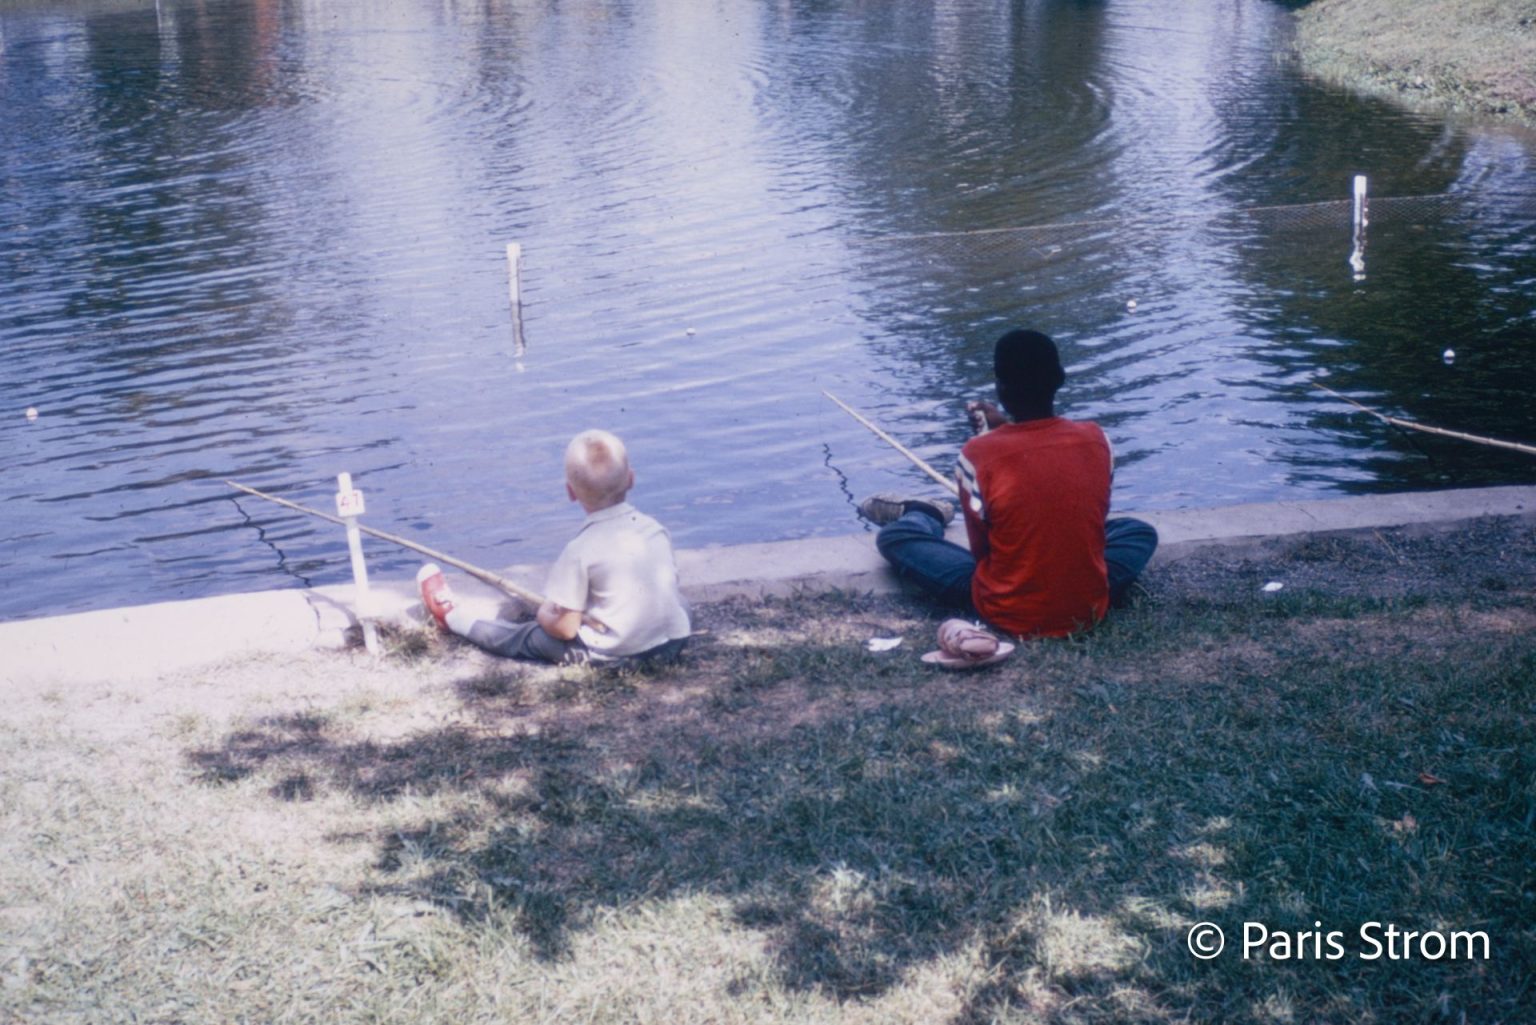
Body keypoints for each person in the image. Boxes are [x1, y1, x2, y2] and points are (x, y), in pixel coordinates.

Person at [862, 328, 1158, 639]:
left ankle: (925, 514)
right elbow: (1081, 507)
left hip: (1006, 610)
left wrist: (992, 439)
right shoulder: (1098, 440)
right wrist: (1004, 433)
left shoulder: (977, 455)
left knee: (896, 537)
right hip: (1087, 607)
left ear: (1001, 388)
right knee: (1137, 532)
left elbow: (983, 555)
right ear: (1059, 379)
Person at [417, 429, 691, 665]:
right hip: (672, 644)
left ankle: (452, 616)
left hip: (614, 656)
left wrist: (545, 615)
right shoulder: (656, 530)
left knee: (526, 637)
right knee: (674, 602)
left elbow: (565, 629)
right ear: (631, 478)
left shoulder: (581, 550)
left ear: (570, 493)